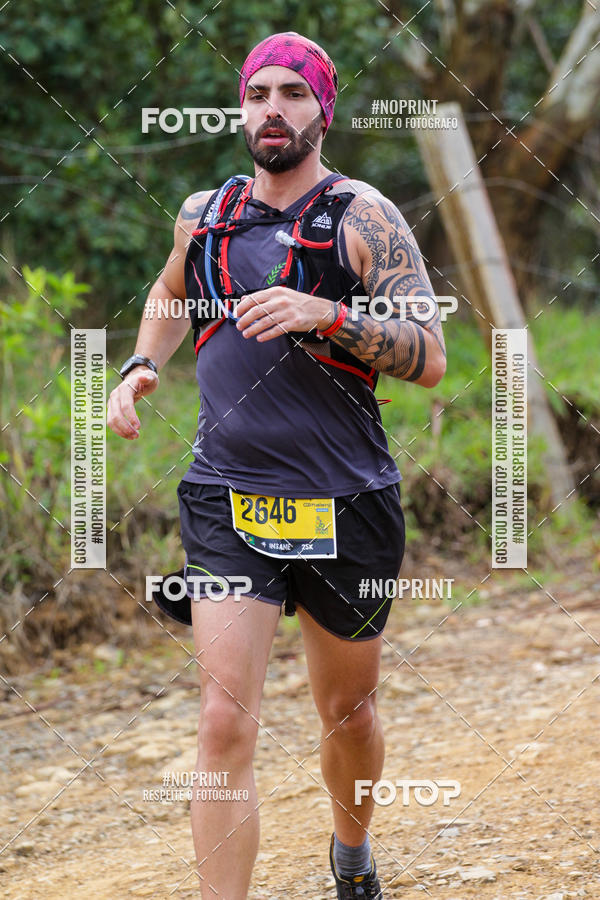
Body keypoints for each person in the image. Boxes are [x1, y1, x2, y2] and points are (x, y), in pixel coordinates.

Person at [108, 31, 446, 900]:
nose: (271, 109)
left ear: (322, 111)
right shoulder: (205, 214)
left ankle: (352, 852)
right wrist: (142, 363)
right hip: (229, 496)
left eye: (293, 93)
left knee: (348, 712)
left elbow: (430, 354)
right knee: (224, 721)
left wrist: (323, 313)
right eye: (257, 93)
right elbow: (170, 293)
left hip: (348, 501)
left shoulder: (363, 216)